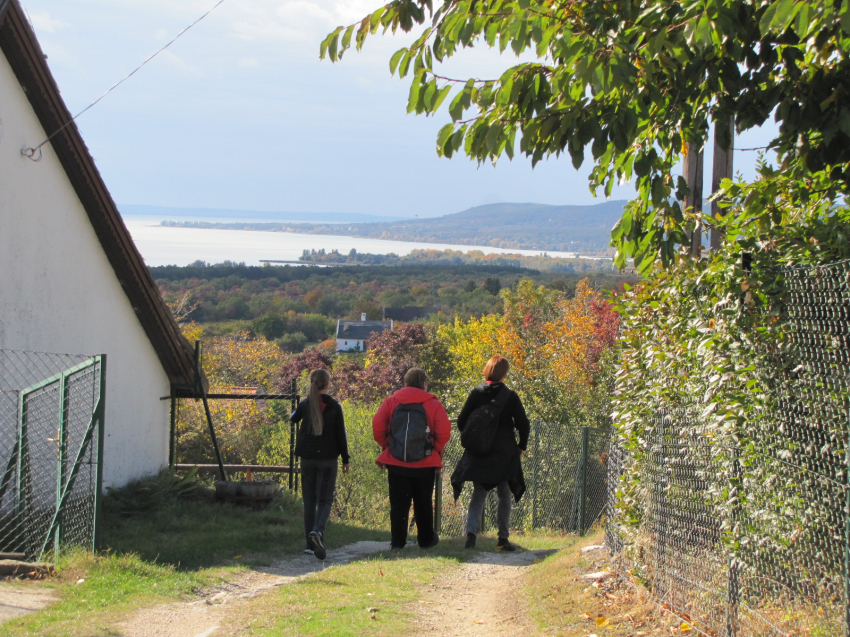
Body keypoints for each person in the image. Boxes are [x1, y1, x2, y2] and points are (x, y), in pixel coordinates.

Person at [451, 355, 530, 551]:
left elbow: (461, 421)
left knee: (478, 494)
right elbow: (524, 424)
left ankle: (471, 536)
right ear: (504, 374)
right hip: (504, 454)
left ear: (487, 370)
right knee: (504, 494)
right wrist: (522, 446)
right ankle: (503, 539)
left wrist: (475, 440)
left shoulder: (476, 393)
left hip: (479, 453)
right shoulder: (510, 396)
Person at [372, 368, 451, 550]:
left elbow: (377, 425)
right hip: (425, 461)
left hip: (396, 460)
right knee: (423, 503)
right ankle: (426, 541)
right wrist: (436, 450)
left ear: (406, 382)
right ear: (424, 383)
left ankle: (398, 542)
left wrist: (387, 444)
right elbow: (444, 431)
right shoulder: (432, 404)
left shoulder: (392, 401)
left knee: (399, 504)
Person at [291, 369, 350, 560]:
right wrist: (345, 459)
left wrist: (297, 407)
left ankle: (309, 544)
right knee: (325, 500)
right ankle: (318, 531)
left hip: (307, 458)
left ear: (312, 383)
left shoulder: (305, 404)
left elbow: (293, 419)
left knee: (309, 500)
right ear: (327, 384)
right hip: (327, 459)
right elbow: (341, 435)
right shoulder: (334, 406)